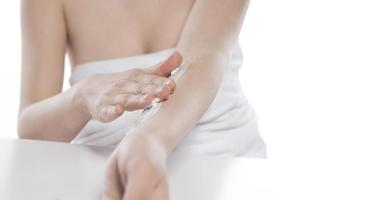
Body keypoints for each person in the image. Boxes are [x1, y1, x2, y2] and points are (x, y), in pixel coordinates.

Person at [18, 0, 266, 199]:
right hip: (107, 176)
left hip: (225, 161)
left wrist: (146, 139)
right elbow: (31, 127)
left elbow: (202, 60)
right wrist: (82, 95)